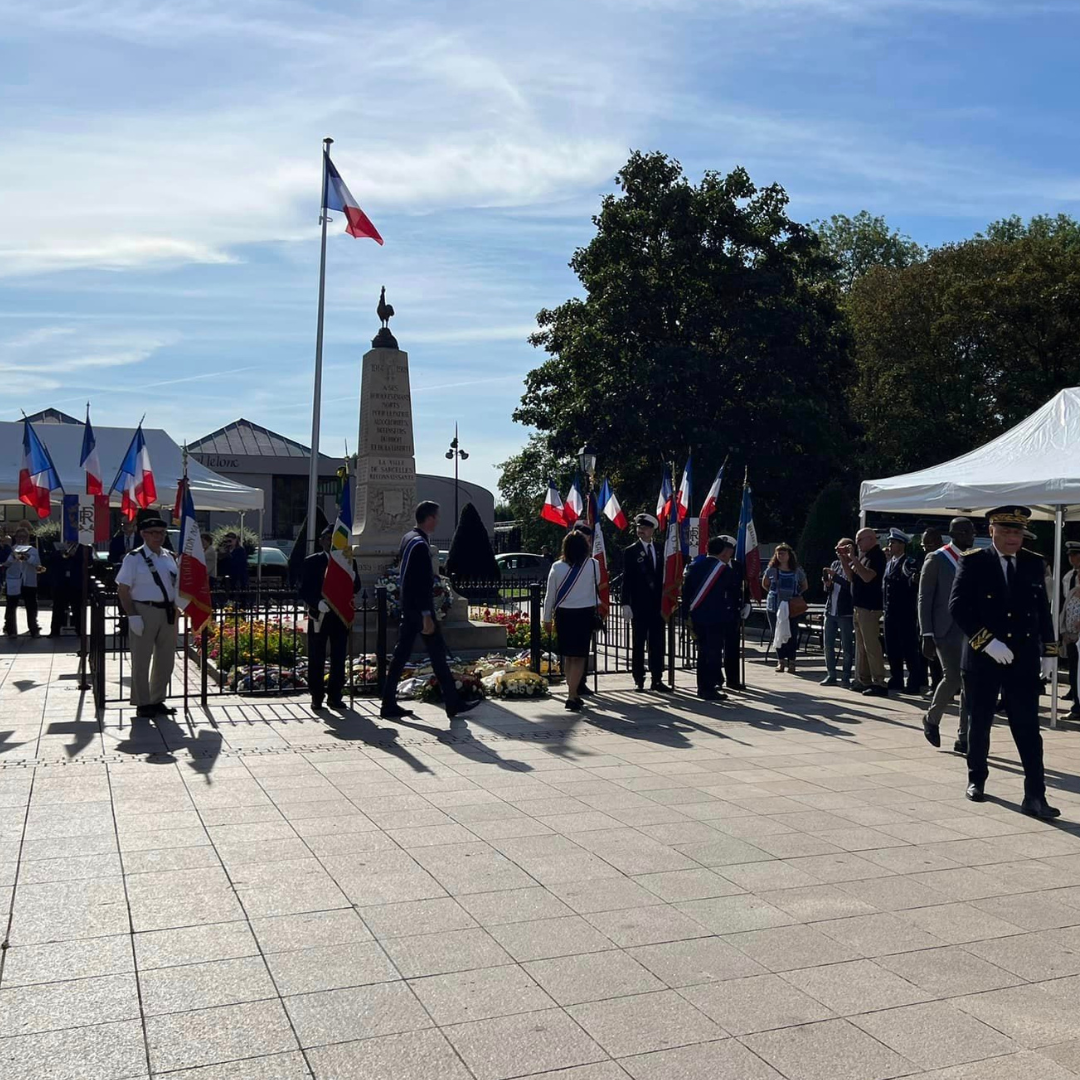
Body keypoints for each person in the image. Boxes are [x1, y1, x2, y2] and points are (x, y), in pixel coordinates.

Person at [949, 505, 1059, 819]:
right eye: (1007, 531)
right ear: (991, 531)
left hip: (1022, 658)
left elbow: (1041, 609)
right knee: (980, 721)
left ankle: (1035, 795)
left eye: (1018, 532)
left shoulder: (1033, 563)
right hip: (984, 657)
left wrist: (1049, 651)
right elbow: (958, 608)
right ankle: (977, 779)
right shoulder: (974, 562)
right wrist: (987, 641)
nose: (1014, 538)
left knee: (1027, 727)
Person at [381, 501, 480, 722]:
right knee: (423, 656)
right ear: (429, 518)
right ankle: (449, 704)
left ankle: (450, 703)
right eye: (437, 516)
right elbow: (418, 581)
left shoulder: (409, 538)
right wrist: (426, 614)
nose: (438, 520)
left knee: (427, 656)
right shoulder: (419, 545)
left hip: (411, 609)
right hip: (419, 611)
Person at [115, 513, 179, 719]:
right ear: (143, 534)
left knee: (166, 660)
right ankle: (142, 703)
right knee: (142, 660)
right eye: (153, 533)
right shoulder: (133, 558)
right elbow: (123, 590)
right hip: (144, 610)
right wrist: (132, 616)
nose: (158, 537)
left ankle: (157, 699)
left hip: (168, 611)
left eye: (161, 533)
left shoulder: (169, 557)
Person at [919, 516, 974, 752]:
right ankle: (932, 719)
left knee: (969, 682)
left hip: (969, 629)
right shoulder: (937, 559)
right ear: (957, 534)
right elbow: (924, 598)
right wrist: (926, 633)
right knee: (952, 677)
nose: (972, 536)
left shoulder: (973, 558)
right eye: (968, 532)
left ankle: (964, 737)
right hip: (944, 628)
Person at [300, 525, 360, 710]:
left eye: (336, 540)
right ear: (321, 541)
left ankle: (335, 695)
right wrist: (317, 603)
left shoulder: (348, 561)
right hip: (319, 616)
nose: (332, 543)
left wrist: (351, 576)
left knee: (339, 657)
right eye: (328, 539)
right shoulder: (312, 562)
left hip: (340, 616)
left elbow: (356, 587)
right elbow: (303, 589)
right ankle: (316, 696)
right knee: (316, 657)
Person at [543, 529, 601, 711]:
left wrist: (546, 619)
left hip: (564, 615)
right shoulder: (593, 565)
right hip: (584, 614)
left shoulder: (556, 567)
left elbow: (549, 596)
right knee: (579, 657)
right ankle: (572, 694)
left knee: (569, 657)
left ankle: (572, 693)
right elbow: (597, 584)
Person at [682, 535, 739, 700]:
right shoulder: (724, 570)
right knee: (713, 653)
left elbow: (686, 593)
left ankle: (702, 686)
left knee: (702, 652)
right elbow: (732, 593)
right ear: (721, 551)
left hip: (698, 616)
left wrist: (686, 614)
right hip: (717, 618)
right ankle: (709, 687)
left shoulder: (693, 566)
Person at [622, 513, 670, 692]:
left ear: (652, 530)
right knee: (638, 643)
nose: (641, 530)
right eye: (638, 527)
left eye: (644, 528)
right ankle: (639, 678)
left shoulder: (660, 549)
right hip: (639, 605)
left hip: (658, 605)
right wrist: (625, 602)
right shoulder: (631, 551)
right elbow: (627, 579)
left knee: (657, 643)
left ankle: (657, 678)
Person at [841, 527, 889, 697]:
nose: (857, 543)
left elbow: (868, 577)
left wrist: (854, 558)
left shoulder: (877, 556)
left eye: (860, 540)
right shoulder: (863, 556)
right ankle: (864, 680)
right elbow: (852, 577)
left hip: (870, 607)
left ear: (871, 539)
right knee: (861, 646)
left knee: (871, 646)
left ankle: (879, 681)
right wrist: (844, 560)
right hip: (859, 605)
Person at [882, 528, 926, 694]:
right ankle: (896, 678)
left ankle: (914, 681)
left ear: (902, 545)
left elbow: (913, 583)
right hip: (890, 612)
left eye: (893, 543)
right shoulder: (890, 563)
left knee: (909, 648)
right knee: (892, 648)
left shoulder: (909, 563)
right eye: (890, 542)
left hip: (905, 613)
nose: (890, 545)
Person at [762, 543, 808, 673]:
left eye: (783, 553)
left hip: (792, 607)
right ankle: (780, 661)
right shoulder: (772, 569)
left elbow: (804, 585)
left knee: (792, 633)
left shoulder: (796, 570)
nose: (780, 556)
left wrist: (796, 595)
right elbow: (765, 584)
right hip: (775, 606)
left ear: (789, 555)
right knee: (777, 632)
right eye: (778, 553)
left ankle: (792, 662)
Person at [821, 538, 855, 687]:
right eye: (837, 549)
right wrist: (827, 584)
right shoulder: (835, 564)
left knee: (847, 645)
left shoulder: (854, 565)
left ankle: (846, 676)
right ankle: (831, 674)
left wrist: (835, 577)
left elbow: (850, 586)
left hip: (845, 612)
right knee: (828, 644)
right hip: (831, 611)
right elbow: (830, 589)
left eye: (841, 549)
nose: (838, 552)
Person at [717, 535, 748, 692]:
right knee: (715, 648)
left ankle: (733, 679)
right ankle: (717, 679)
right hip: (716, 612)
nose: (725, 552)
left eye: (728, 549)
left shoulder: (737, 566)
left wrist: (746, 603)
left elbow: (744, 585)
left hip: (733, 612)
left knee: (732, 648)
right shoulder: (713, 565)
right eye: (723, 549)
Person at [3, 526, 41, 639]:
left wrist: (28, 558)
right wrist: (12, 557)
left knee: (31, 607)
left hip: (29, 581)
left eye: (24, 536)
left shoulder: (33, 550)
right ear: (16, 537)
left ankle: (33, 630)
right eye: (19, 536)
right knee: (11, 606)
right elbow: (6, 564)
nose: (21, 539)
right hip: (14, 581)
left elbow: (38, 564)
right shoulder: (11, 550)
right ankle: (11, 631)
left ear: (27, 537)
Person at [46, 540, 87, 638]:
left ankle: (80, 631)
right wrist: (60, 553)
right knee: (57, 607)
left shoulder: (84, 547)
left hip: (76, 582)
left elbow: (89, 562)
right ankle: (54, 631)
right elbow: (50, 560)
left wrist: (75, 556)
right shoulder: (58, 547)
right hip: (61, 582)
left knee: (77, 608)